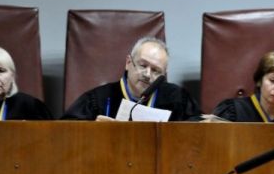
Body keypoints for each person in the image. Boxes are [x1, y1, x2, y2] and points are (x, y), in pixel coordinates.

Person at [62, 37, 201, 121]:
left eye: (156, 71)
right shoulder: (98, 99)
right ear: (128, 62)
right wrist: (92, 129)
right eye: (143, 65)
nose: (147, 74)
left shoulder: (178, 99)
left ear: (163, 75)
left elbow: (199, 130)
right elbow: (66, 130)